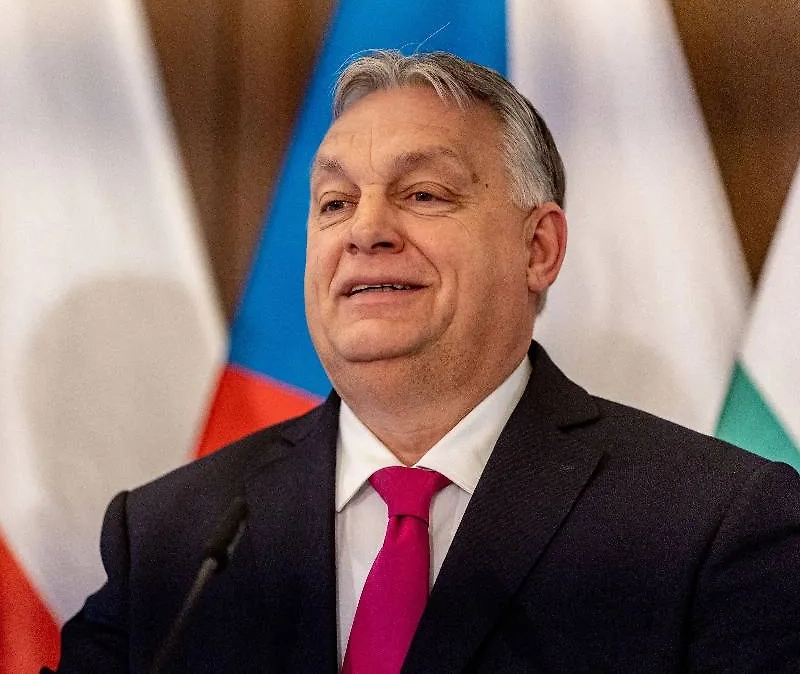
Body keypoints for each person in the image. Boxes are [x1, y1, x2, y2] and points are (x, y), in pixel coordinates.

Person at [45, 50, 800, 673]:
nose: (365, 230)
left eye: (425, 194)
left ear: (538, 249)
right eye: (334, 203)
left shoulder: (713, 527)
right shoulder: (175, 539)